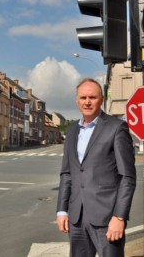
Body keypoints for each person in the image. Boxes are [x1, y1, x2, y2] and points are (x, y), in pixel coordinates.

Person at [56, 78, 136, 257]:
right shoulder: (71, 131)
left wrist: (119, 217)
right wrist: (62, 210)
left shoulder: (117, 128)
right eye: (83, 97)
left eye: (92, 97)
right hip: (76, 218)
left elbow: (127, 177)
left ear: (101, 99)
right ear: (77, 101)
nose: (87, 102)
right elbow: (67, 174)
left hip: (107, 218)